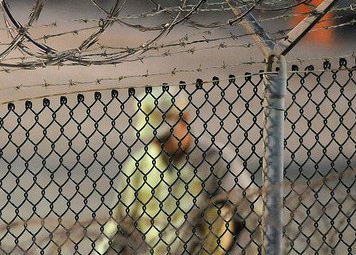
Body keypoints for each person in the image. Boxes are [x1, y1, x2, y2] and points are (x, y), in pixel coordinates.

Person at [94, 90, 253, 255]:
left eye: (164, 137)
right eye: (152, 138)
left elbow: (250, 216)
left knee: (220, 215)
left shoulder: (215, 160)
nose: (157, 144)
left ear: (184, 120)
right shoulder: (138, 166)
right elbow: (118, 226)